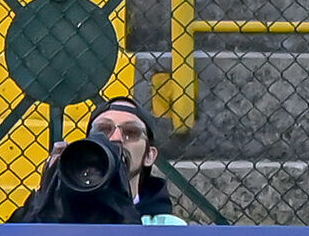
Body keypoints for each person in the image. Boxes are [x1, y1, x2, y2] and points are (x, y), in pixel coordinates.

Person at [10, 95, 188, 225]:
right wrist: (45, 196)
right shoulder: (62, 215)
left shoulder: (167, 227)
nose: (116, 138)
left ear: (150, 156)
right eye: (103, 130)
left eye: (131, 133)